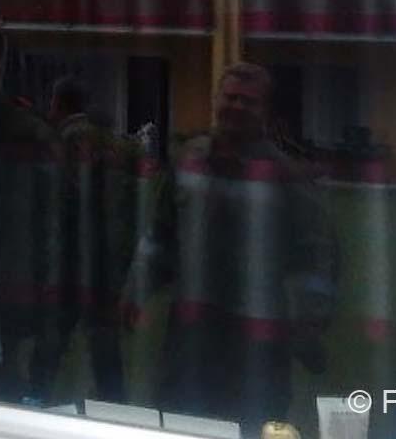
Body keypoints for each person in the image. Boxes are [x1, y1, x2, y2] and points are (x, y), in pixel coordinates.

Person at [120, 63, 336, 436]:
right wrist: (135, 291)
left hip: (257, 345)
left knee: (250, 427)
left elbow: (315, 255)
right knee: (179, 425)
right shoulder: (188, 161)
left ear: (265, 111)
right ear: (216, 99)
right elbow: (161, 235)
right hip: (191, 338)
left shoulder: (285, 175)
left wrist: (309, 324)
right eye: (230, 97)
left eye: (248, 101)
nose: (236, 106)